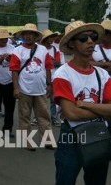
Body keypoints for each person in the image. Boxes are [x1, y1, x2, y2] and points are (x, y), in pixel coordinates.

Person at [53, 20, 111, 184]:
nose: (90, 41)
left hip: (98, 134)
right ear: (71, 44)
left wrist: (85, 104)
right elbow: (71, 114)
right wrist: (102, 109)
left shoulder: (102, 75)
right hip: (71, 136)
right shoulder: (63, 74)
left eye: (93, 37)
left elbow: (75, 110)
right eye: (83, 38)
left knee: (97, 181)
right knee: (66, 179)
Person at [9, 23, 54, 151]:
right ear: (22, 36)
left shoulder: (43, 50)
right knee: (25, 117)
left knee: (44, 116)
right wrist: (16, 88)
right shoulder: (17, 51)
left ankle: (47, 140)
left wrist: (49, 84)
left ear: (35, 36)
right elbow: (14, 71)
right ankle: (27, 141)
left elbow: (48, 68)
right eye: (26, 34)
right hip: (24, 90)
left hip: (41, 89)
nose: (28, 36)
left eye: (31, 34)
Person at [41, 29, 65, 127]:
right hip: (41, 77)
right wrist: (51, 61)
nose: (52, 39)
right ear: (45, 39)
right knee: (40, 99)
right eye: (50, 37)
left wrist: (50, 61)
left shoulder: (56, 50)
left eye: (53, 37)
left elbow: (58, 63)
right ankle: (38, 118)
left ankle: (54, 118)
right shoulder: (39, 49)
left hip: (53, 77)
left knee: (52, 99)